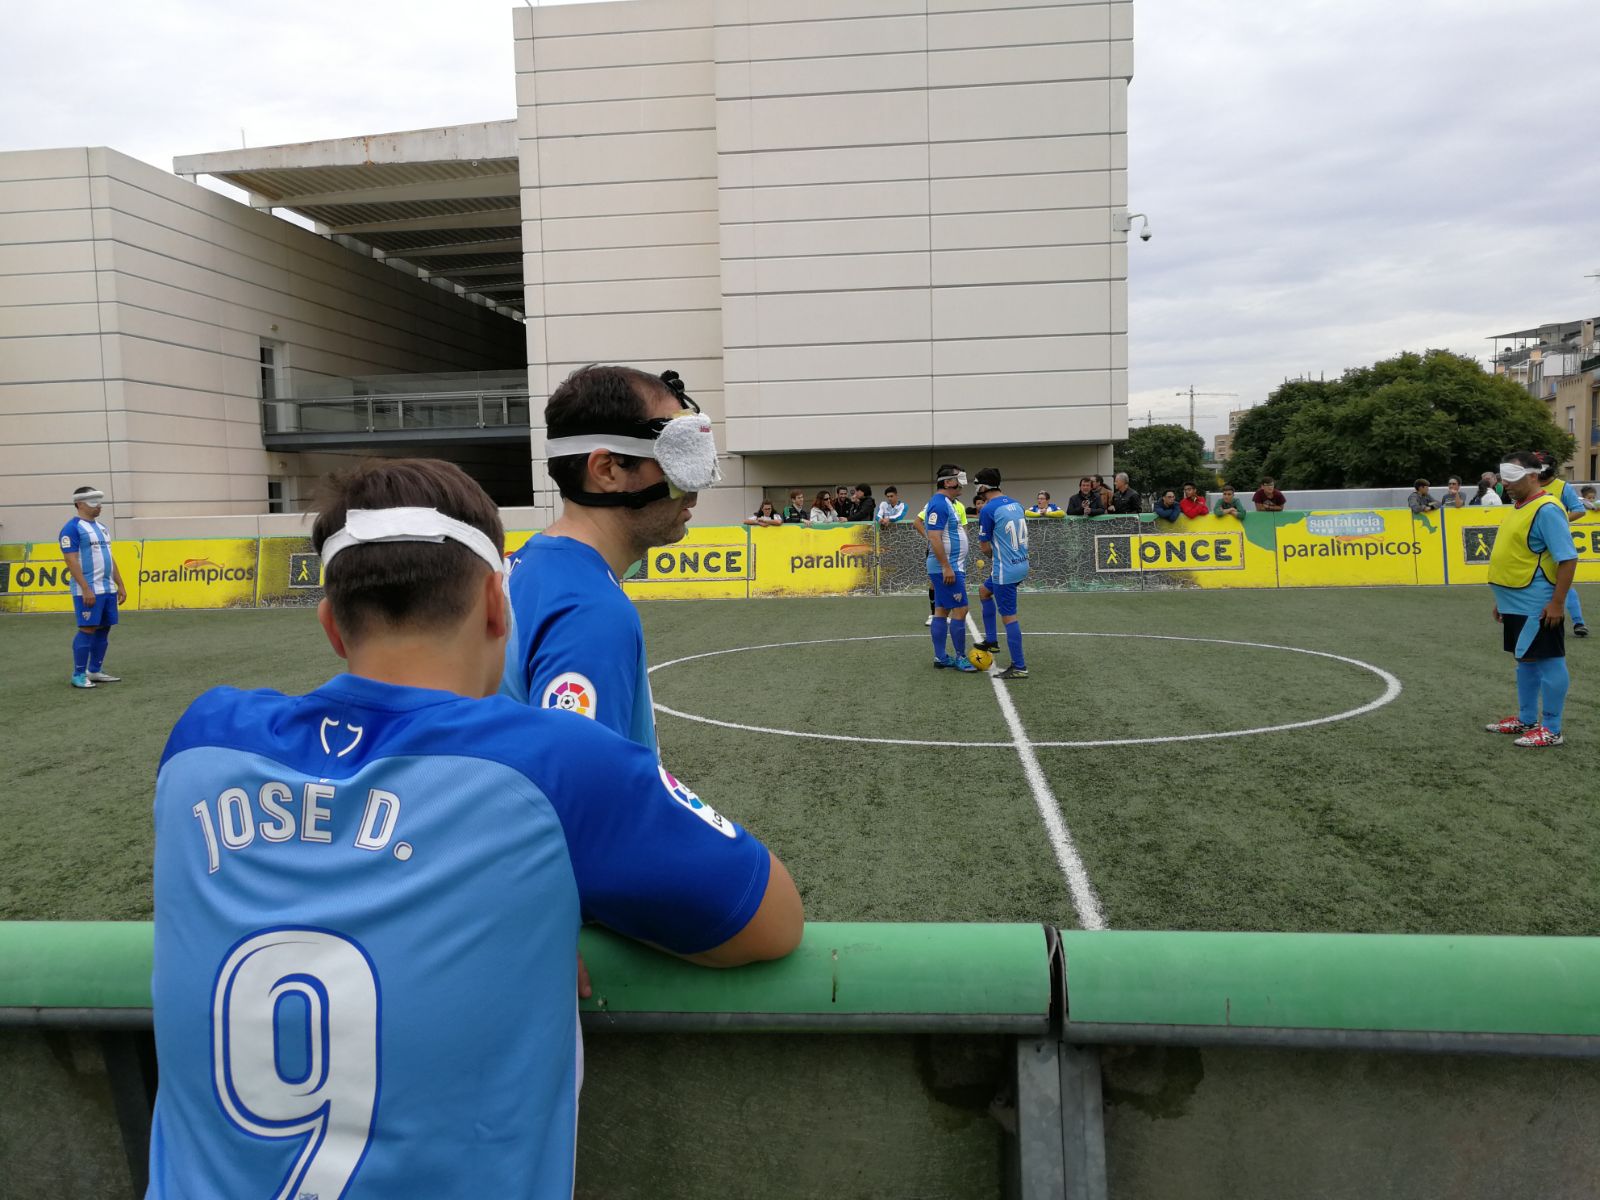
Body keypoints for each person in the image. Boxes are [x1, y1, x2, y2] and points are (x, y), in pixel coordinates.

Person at [145, 458, 804, 1199]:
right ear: (498, 605)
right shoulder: (552, 765)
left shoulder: (201, 741)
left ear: (332, 624)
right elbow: (773, 921)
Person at [502, 365, 715, 752]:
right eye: (675, 463)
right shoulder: (589, 610)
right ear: (606, 469)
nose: (694, 493)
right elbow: (583, 796)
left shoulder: (527, 567)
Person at [1483, 451, 1578, 747]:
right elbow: (1517, 555)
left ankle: (1552, 728)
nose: (1505, 485)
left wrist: (1557, 603)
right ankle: (1526, 719)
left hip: (1537, 602)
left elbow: (1568, 559)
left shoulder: (1547, 509)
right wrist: (1503, 598)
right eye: (1503, 479)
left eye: (1512, 478)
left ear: (1534, 475)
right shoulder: (1521, 506)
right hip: (1515, 601)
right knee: (1525, 659)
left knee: (1550, 660)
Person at [60, 484, 128, 689]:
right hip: (88, 590)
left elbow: (109, 557)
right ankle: (78, 674)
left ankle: (95, 670)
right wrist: (86, 588)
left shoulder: (103, 528)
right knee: (87, 628)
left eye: (99, 502)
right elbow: (71, 561)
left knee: (104, 629)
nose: (99, 506)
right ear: (79, 504)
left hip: (107, 589)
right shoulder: (71, 528)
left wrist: (120, 584)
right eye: (93, 502)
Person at [974, 469, 1029, 680]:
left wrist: (994, 558)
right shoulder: (1015, 503)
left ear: (985, 487)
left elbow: (984, 547)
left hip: (1004, 569)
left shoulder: (988, 510)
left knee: (1009, 617)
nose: (976, 489)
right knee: (984, 591)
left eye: (978, 484)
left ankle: (1019, 666)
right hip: (1021, 563)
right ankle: (991, 640)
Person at [922, 464, 978, 671]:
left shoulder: (948, 502)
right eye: (957, 478)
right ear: (947, 482)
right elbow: (934, 537)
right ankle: (960, 657)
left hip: (951, 565)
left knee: (941, 610)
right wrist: (946, 566)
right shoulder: (939, 504)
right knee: (961, 609)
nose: (962, 482)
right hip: (947, 567)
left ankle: (941, 657)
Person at [1536, 454, 1589, 637]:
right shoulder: (1530, 486)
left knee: (1563, 581)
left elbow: (1579, 510)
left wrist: (1557, 521)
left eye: (1541, 466)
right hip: (1535, 543)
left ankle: (1578, 622)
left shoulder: (1562, 487)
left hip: (1555, 541)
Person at [915, 489, 969, 626]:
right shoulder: (936, 504)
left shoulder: (960, 506)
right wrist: (930, 538)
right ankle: (932, 613)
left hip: (956, 557)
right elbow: (917, 522)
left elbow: (963, 528)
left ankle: (939, 614)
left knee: (949, 600)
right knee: (936, 585)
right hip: (939, 554)